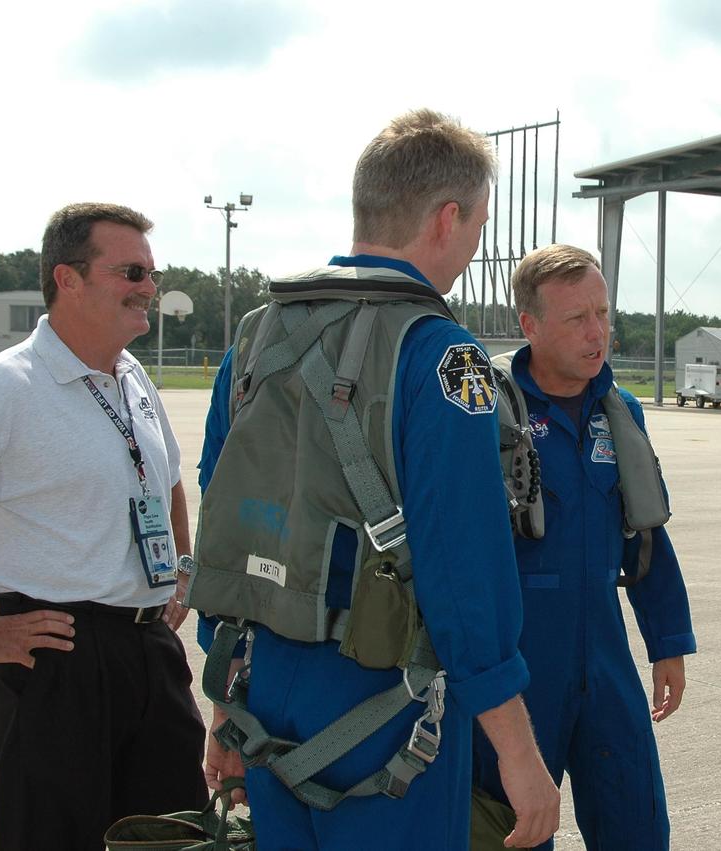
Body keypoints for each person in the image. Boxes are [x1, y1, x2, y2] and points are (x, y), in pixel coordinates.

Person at [195, 109, 559, 850]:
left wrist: (226, 699)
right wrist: (519, 753)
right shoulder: (444, 354)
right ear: (448, 218)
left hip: (264, 696)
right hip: (384, 706)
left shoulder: (256, 339)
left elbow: (224, 511)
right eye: (480, 221)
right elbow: (466, 565)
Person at [0, 203, 206, 850]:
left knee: (173, 833)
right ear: (67, 278)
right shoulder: (6, 389)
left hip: (148, 649)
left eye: (152, 272)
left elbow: (169, 480)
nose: (149, 286)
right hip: (58, 655)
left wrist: (180, 569)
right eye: (131, 271)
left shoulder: (131, 378)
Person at [472, 244, 696, 850]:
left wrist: (667, 641)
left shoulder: (618, 412)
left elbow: (645, 530)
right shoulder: (486, 415)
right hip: (517, 660)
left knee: (636, 821)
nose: (597, 333)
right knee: (515, 828)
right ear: (531, 325)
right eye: (577, 319)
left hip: (604, 651)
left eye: (602, 313)